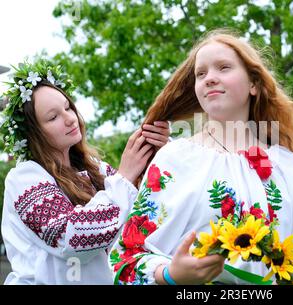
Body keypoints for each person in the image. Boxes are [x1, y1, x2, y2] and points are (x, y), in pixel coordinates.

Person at [110, 30, 293, 285]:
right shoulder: (174, 159)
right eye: (201, 74)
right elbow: (125, 260)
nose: (210, 78)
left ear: (254, 84)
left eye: (223, 68)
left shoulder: (288, 166)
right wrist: (170, 275)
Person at [0, 59, 170, 284]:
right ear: (34, 134)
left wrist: (160, 155)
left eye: (68, 107)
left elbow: (148, 215)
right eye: (53, 117)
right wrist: (125, 177)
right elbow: (71, 239)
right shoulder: (25, 177)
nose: (70, 118)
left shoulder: (95, 169)